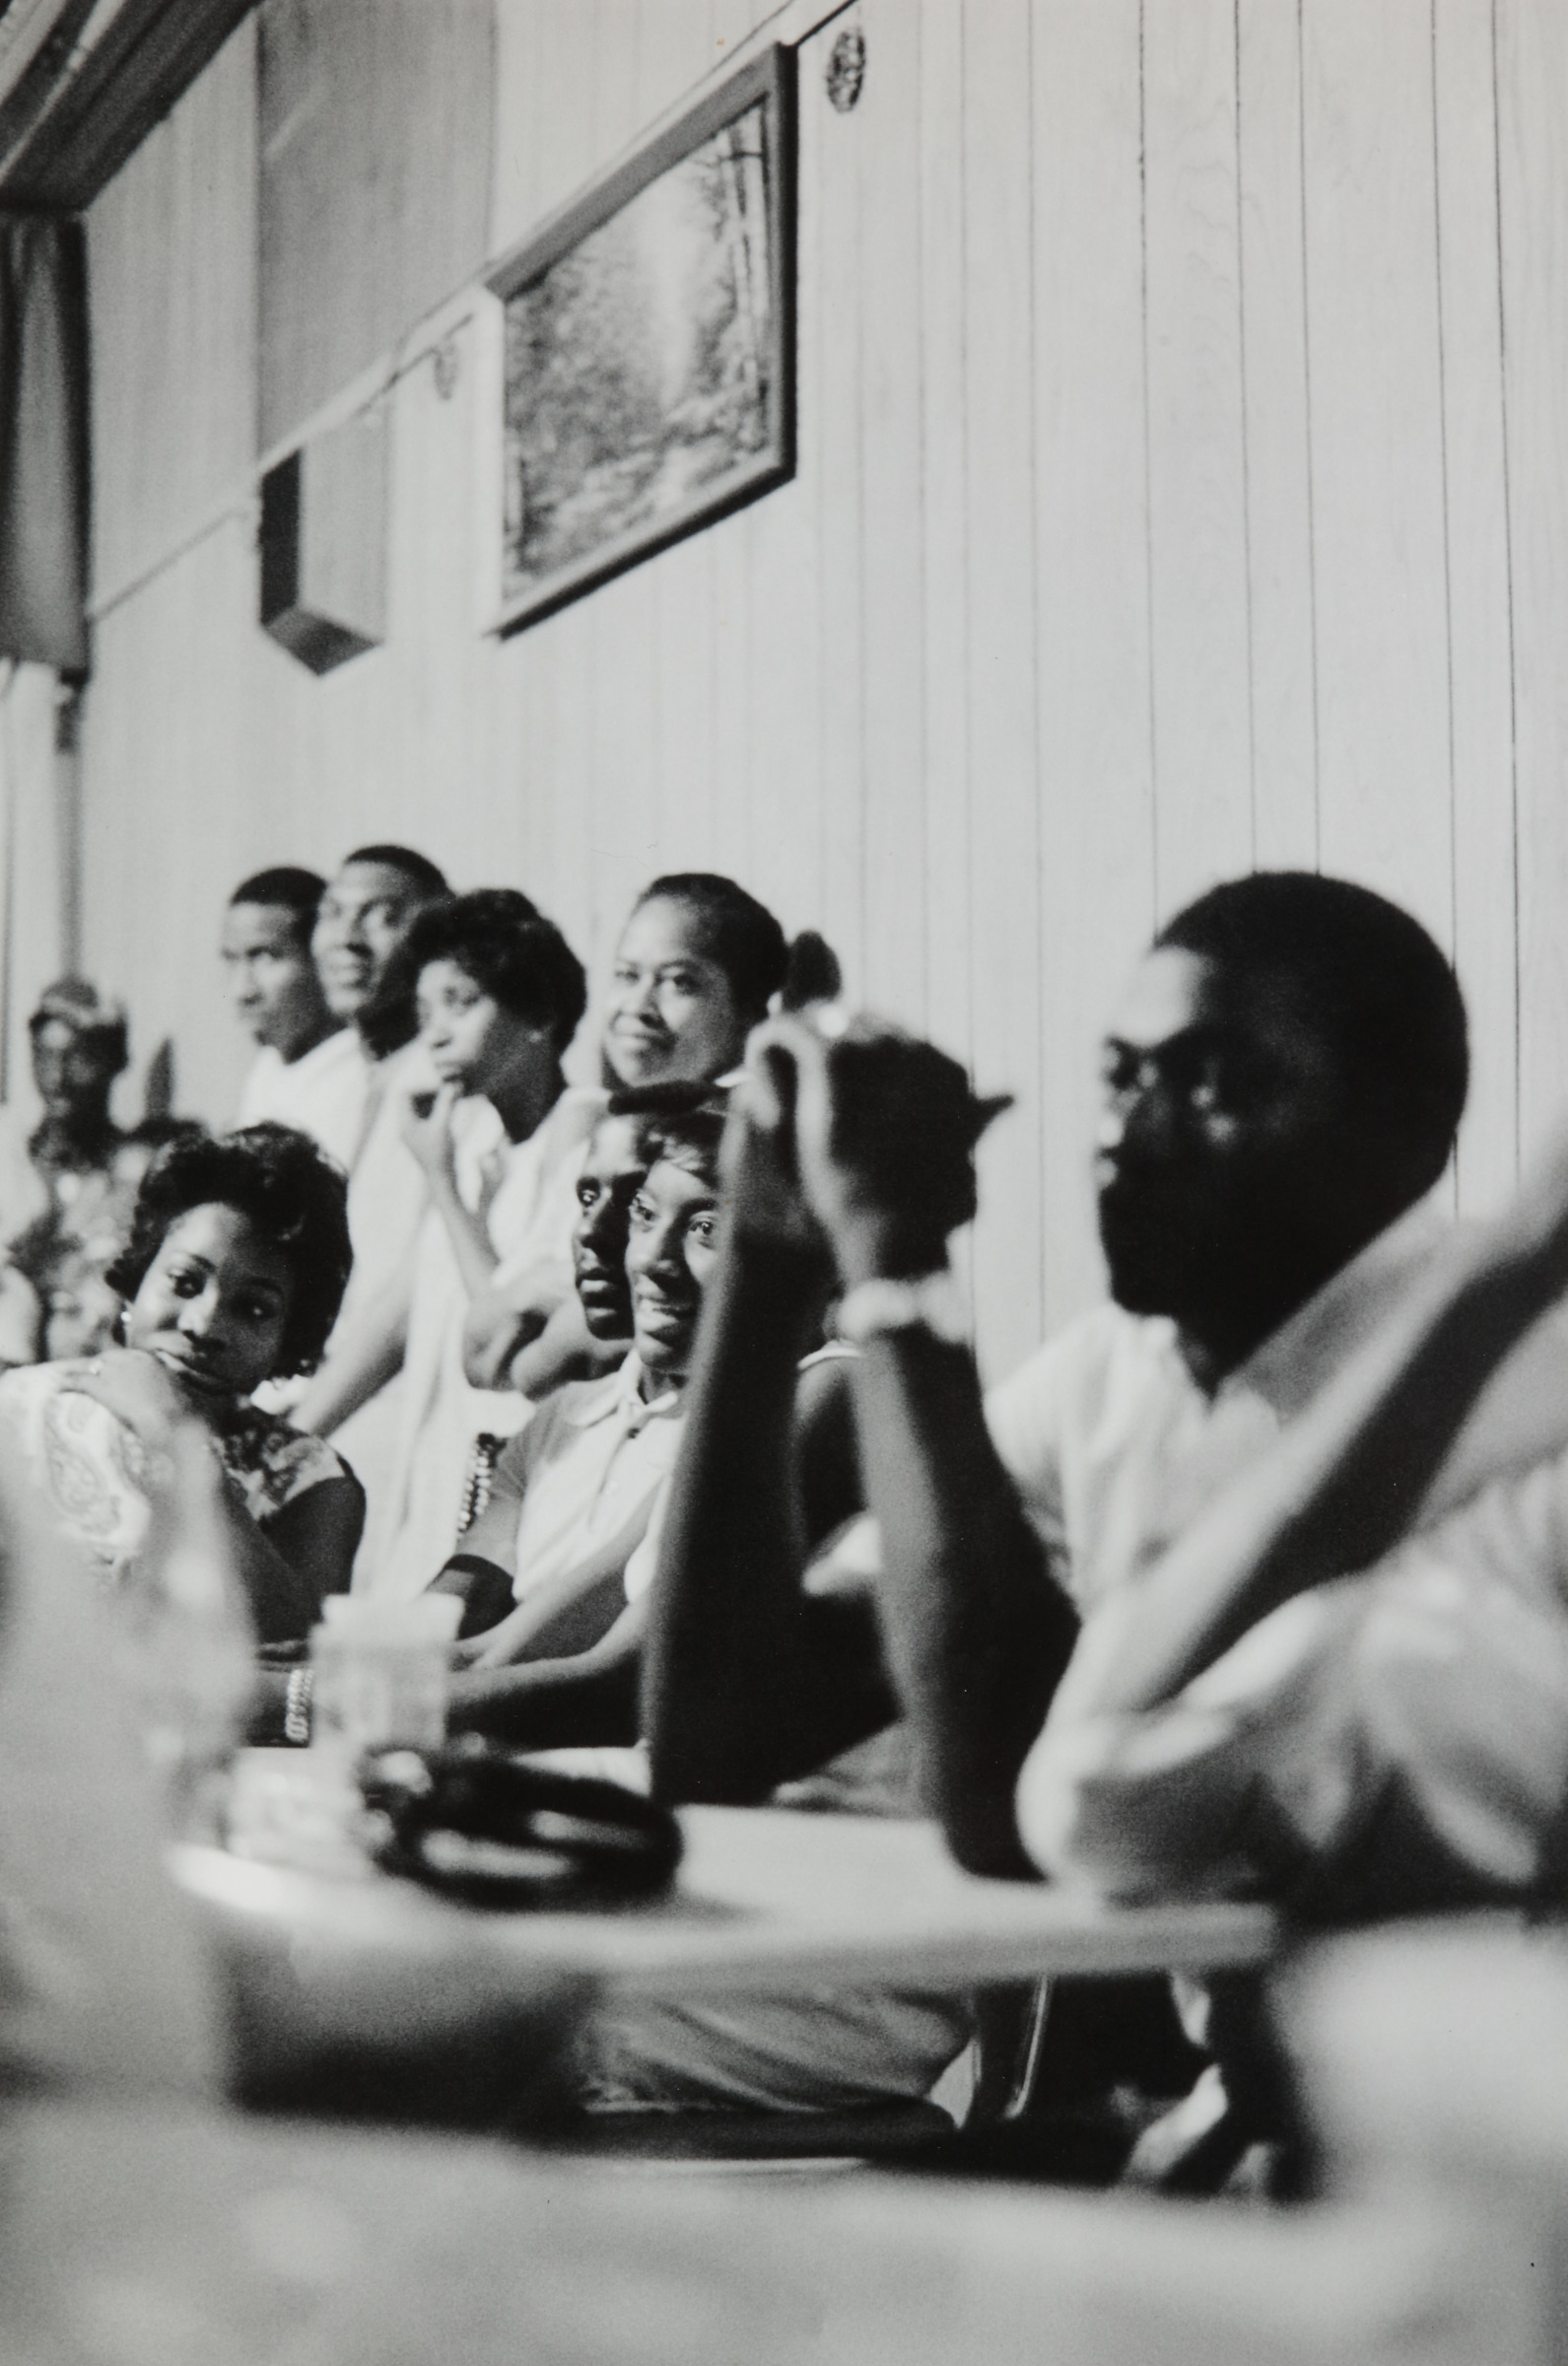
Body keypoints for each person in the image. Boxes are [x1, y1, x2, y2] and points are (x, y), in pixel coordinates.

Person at [665, 873, 1568, 1932]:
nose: (1127, 1131)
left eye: (1211, 1084)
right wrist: (763, 1252)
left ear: (1406, 1133)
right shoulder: (1111, 1373)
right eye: (1120, 1076)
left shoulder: (1511, 1387)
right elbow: (724, 1732)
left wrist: (897, 1270)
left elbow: (1019, 1814)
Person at [461, 874, 831, 1402]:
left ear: (750, 1010)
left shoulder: (735, 1141)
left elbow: (514, 1359)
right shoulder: (615, 1128)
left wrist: (541, 1306)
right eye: (626, 975)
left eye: (680, 982)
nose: (639, 1004)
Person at [0, 1124, 362, 1638]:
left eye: (253, 1309)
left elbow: (293, 1642)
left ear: (289, 1337)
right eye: (184, 1283)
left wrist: (173, 1436)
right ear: (136, 1282)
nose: (203, 1324)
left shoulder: (310, 1480)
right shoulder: (22, 1409)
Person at [370, 891, 598, 1597]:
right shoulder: (472, 1144)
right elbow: (399, 1316)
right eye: (425, 1011)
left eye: (459, 1003)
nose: (435, 1033)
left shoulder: (582, 1128)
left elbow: (500, 1336)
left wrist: (438, 1179)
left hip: (514, 1472)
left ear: (537, 1016)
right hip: (438, 1461)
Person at [286, 847, 448, 1566]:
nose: (350, 939)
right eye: (335, 913)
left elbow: (411, 1294)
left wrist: (295, 1433)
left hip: (389, 1424)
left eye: (383, 916)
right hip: (320, 1417)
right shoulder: (347, 1078)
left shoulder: (441, 1079)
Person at [0, 980, 133, 1367]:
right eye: (43, 1057)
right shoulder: (11, 1160)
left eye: (79, 1058)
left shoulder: (131, 1172)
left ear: (115, 1059)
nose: (57, 1078)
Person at [224, 867, 363, 1167]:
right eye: (231, 960)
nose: (242, 990)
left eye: (264, 957)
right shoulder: (268, 1068)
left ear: (320, 957)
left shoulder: (359, 1074)